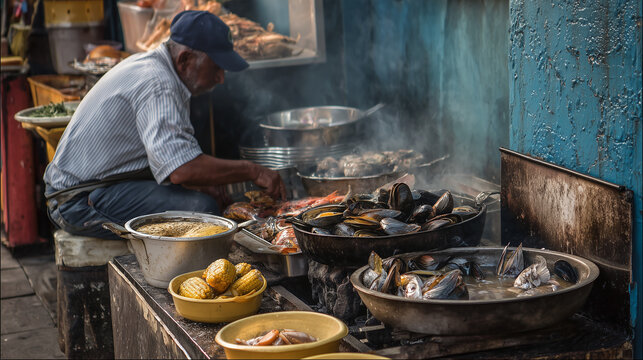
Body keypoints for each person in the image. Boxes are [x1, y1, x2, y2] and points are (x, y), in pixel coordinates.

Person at [43, 10, 286, 239]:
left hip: (96, 188)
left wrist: (200, 183)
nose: (221, 78)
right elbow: (181, 169)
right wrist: (255, 171)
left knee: (199, 198)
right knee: (202, 210)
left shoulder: (158, 69)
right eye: (216, 67)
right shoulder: (159, 84)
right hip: (75, 203)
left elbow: (170, 160)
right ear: (186, 59)